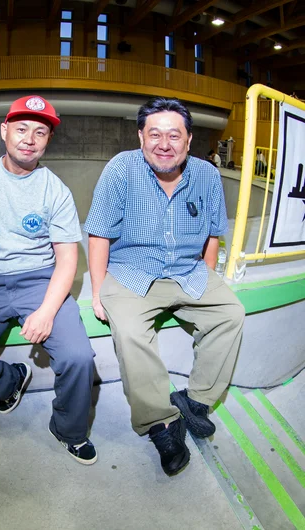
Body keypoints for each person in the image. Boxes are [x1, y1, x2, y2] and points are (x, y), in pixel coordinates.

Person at [84, 96, 245, 476]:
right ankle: (162, 423)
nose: (164, 143)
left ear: (188, 141)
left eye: (175, 135)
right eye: (154, 133)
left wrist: (209, 279)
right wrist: (96, 291)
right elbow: (98, 234)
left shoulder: (206, 174)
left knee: (231, 314)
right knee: (130, 332)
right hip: (131, 272)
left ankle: (196, 401)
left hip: (188, 270)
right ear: (141, 137)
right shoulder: (121, 169)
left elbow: (212, 235)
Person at [0, 95, 97, 465]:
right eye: (22, 129)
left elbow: (68, 258)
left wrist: (45, 311)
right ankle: (11, 379)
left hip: (37, 280)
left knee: (78, 357)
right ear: (4, 131)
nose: (30, 138)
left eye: (40, 132)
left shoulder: (54, 189)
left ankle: (69, 430)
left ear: (47, 140)